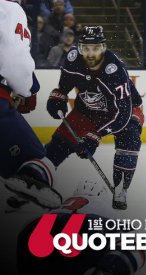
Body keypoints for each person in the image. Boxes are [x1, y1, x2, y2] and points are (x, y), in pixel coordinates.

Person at [44, 26, 144, 210]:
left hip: (125, 111)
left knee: (129, 138)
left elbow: (122, 113)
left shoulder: (115, 70)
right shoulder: (73, 58)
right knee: (59, 144)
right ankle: (37, 180)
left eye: (95, 48)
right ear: (80, 48)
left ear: (103, 48)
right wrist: (58, 96)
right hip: (88, 108)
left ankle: (121, 188)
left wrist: (95, 135)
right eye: (86, 49)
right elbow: (64, 85)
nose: (90, 54)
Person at [0, 0, 62, 209]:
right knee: (38, 163)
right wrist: (27, 89)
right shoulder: (8, 8)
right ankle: (31, 176)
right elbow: (13, 59)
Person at [16, 179, 145, 274]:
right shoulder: (102, 205)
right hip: (85, 226)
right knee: (136, 241)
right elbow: (127, 231)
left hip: (37, 226)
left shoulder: (65, 202)